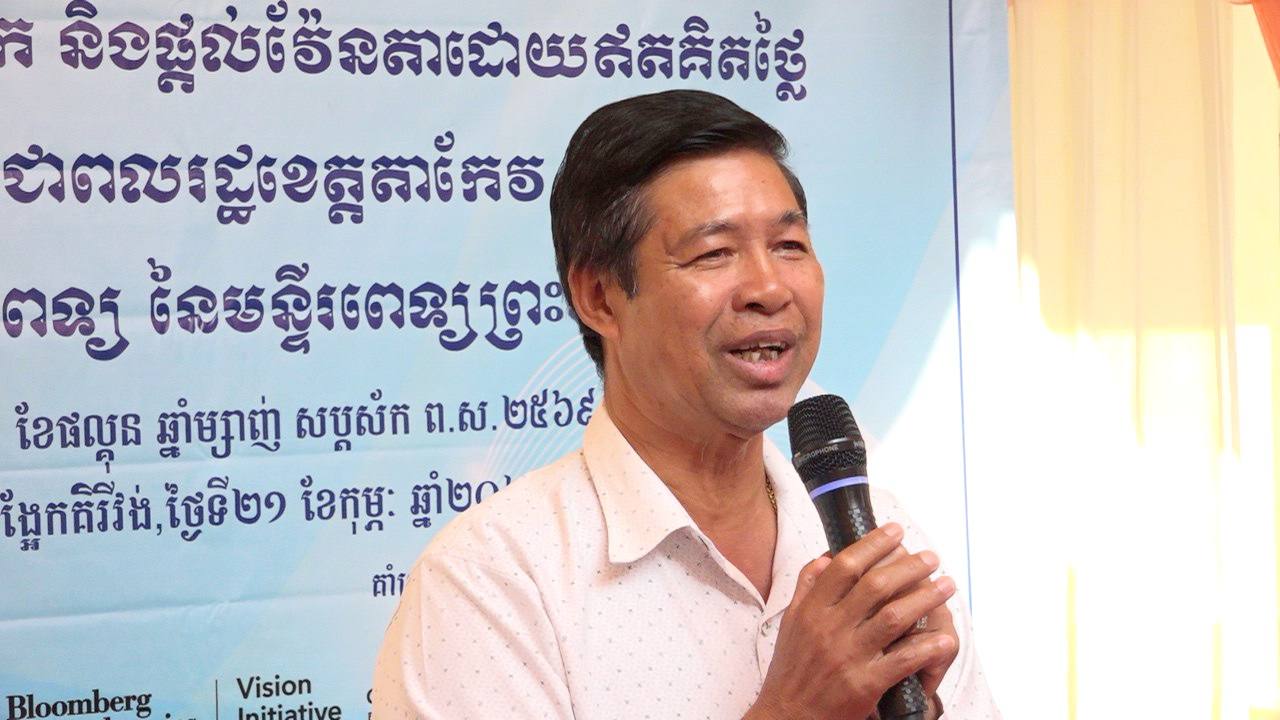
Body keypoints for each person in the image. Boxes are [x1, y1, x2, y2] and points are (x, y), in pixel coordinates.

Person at [372, 90, 1000, 719]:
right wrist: (794, 711)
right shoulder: (490, 581)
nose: (768, 288)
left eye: (789, 245)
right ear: (600, 298)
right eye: (713, 253)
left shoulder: (878, 539)